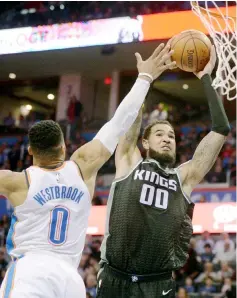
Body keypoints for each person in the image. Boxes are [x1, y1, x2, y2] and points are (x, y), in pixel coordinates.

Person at [0, 43, 175, 298]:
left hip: (30, 272)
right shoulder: (83, 167)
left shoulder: (16, 181)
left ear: (30, 151)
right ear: (63, 147)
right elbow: (118, 122)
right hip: (71, 279)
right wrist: (145, 78)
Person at [97, 46, 230, 298]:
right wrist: (145, 79)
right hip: (115, 279)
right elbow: (129, 119)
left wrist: (205, 78)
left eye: (171, 135)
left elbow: (221, 129)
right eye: (159, 134)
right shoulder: (129, 161)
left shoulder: (184, 177)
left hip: (158, 285)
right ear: (144, 142)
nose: (167, 139)